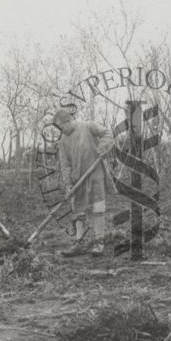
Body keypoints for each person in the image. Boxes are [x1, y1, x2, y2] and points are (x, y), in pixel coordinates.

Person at [54, 109, 114, 257]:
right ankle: (79, 243)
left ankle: (99, 243)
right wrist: (68, 184)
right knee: (78, 210)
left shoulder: (88, 126)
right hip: (77, 178)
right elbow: (65, 164)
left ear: (68, 121)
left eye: (62, 127)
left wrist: (102, 147)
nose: (62, 131)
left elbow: (107, 133)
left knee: (98, 207)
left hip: (95, 173)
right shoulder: (62, 141)